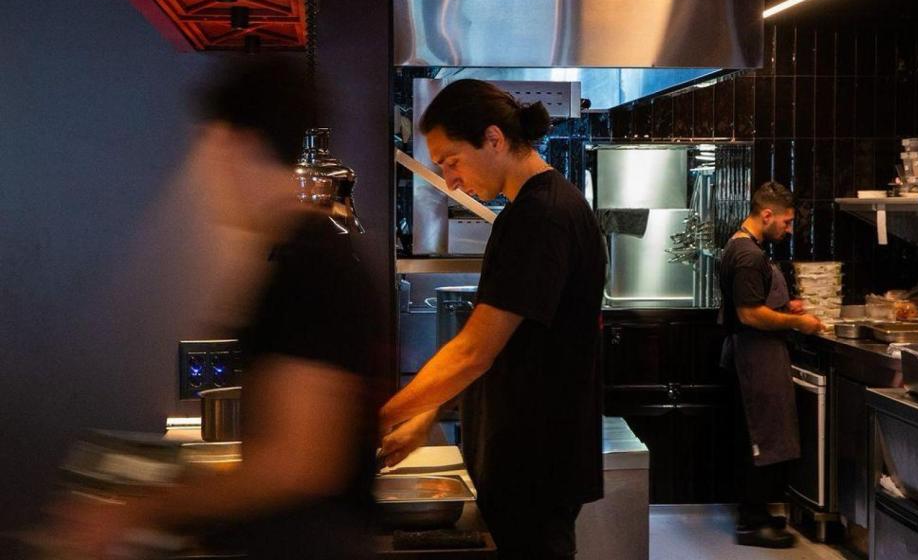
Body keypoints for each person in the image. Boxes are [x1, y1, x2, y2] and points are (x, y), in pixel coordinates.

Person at [50, 59, 380, 560]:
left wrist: (135, 511)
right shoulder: (300, 254)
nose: (206, 170)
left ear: (235, 144)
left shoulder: (310, 267)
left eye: (205, 146)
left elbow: (296, 460)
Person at [378, 79, 606, 560]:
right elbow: (499, 346)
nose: (450, 180)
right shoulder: (542, 208)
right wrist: (426, 415)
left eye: (451, 160)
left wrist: (376, 418)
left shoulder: (540, 217)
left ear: (494, 139)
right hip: (531, 459)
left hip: (533, 464)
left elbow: (473, 350)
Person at [718, 181, 824, 549]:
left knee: (758, 436)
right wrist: (798, 322)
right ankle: (751, 523)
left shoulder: (744, 247)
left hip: (753, 355)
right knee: (758, 438)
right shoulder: (748, 256)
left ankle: (759, 514)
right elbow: (749, 314)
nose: (789, 229)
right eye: (787, 221)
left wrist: (783, 308)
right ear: (767, 215)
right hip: (753, 358)